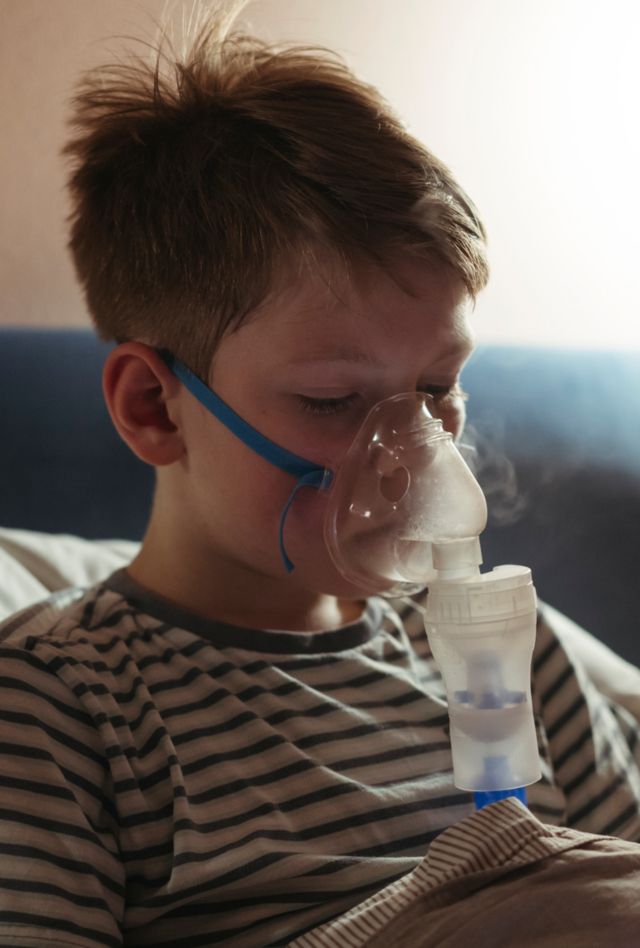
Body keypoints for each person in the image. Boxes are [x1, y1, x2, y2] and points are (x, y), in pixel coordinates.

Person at [0, 6, 639, 947]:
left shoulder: (509, 653)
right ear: (152, 406)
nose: (414, 451)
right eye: (335, 402)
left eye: (437, 388)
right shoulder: (62, 714)